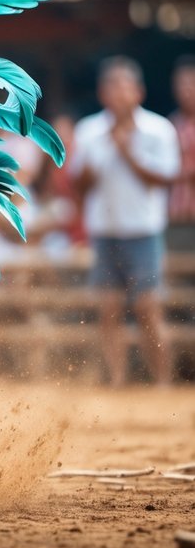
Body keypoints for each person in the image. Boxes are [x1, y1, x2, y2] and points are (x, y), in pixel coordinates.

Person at [73, 56, 180, 387]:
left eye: (124, 86)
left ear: (139, 92)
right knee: (109, 311)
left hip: (143, 231)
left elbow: (166, 180)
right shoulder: (89, 131)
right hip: (104, 232)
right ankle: (117, 380)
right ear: (103, 94)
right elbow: (78, 185)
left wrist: (127, 152)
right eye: (112, 86)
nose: (118, 94)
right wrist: (96, 159)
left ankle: (163, 380)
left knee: (149, 309)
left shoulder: (158, 129)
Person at [167, 55, 195, 251]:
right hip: (177, 218)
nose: (186, 90)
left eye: (191, 84)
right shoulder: (169, 126)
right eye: (181, 85)